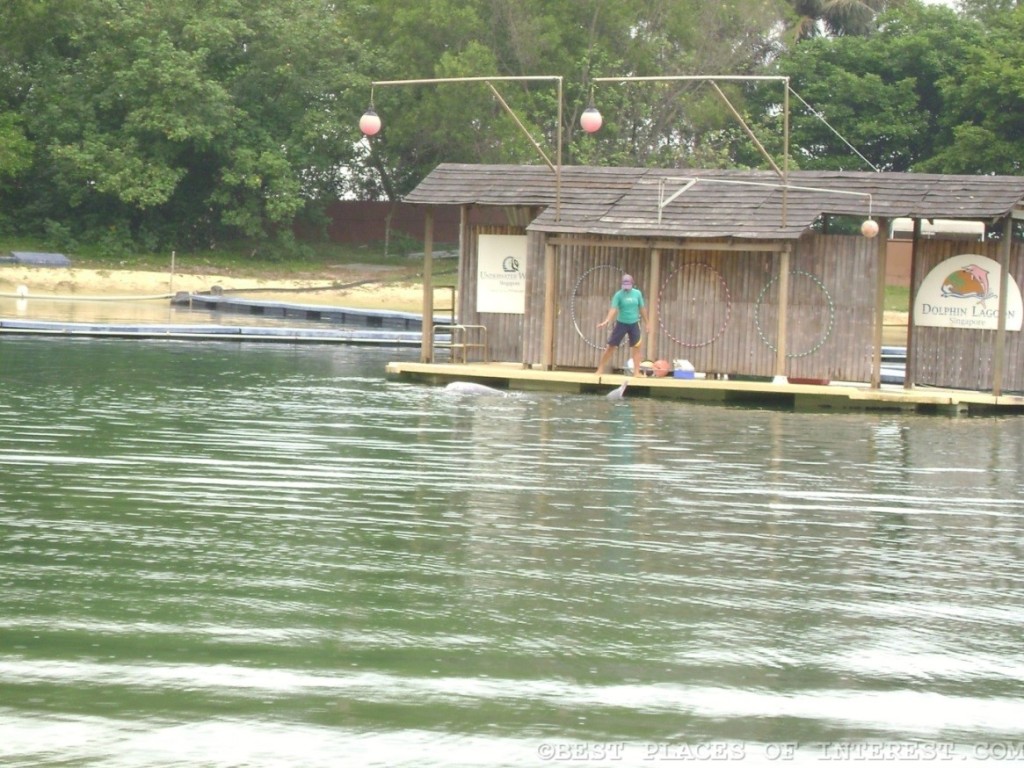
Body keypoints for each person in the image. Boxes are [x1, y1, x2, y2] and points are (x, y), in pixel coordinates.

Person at [595, 273, 650, 375]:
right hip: (621, 324)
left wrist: (647, 323)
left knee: (637, 347)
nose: (626, 288)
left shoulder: (637, 293)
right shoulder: (618, 295)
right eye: (625, 286)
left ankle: (637, 372)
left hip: (634, 324)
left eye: (628, 285)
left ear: (632, 283)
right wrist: (607, 320)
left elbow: (642, 308)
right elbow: (613, 309)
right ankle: (600, 368)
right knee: (611, 346)